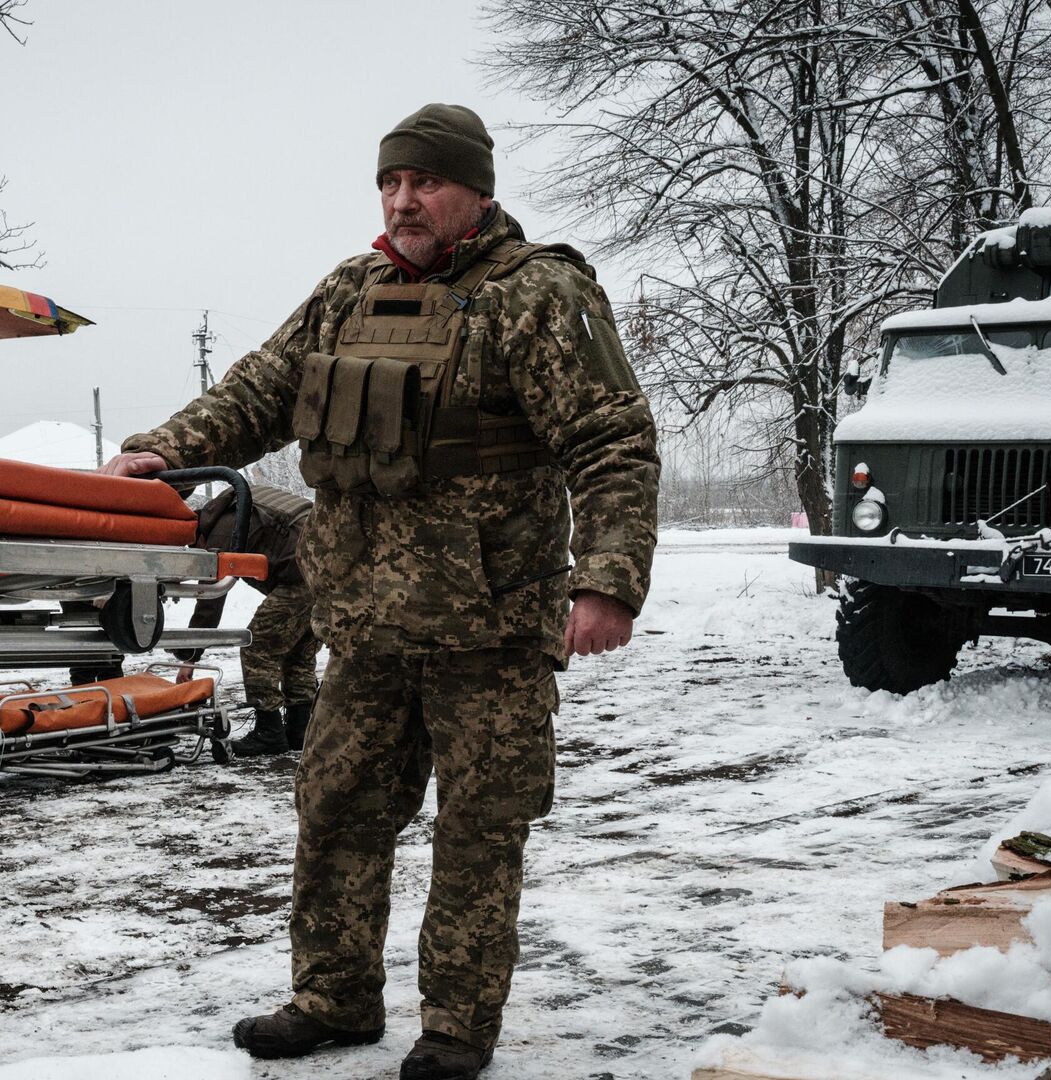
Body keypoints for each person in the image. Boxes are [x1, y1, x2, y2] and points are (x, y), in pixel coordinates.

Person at [103, 103, 658, 1080]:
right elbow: (257, 391)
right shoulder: (347, 292)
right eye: (391, 183)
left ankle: (455, 1027)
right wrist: (171, 449)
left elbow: (612, 446)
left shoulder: (538, 297)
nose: (404, 201)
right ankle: (333, 998)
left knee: (479, 829)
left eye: (426, 183)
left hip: (487, 627)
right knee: (336, 811)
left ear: (476, 191)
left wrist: (606, 581)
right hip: (363, 626)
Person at [180, 482, 319, 757]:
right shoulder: (238, 503)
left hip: (302, 575)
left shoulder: (220, 531)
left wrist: (190, 658)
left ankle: (269, 732)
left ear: (196, 535)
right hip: (332, 569)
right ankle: (299, 730)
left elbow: (210, 599)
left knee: (257, 646)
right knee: (298, 651)